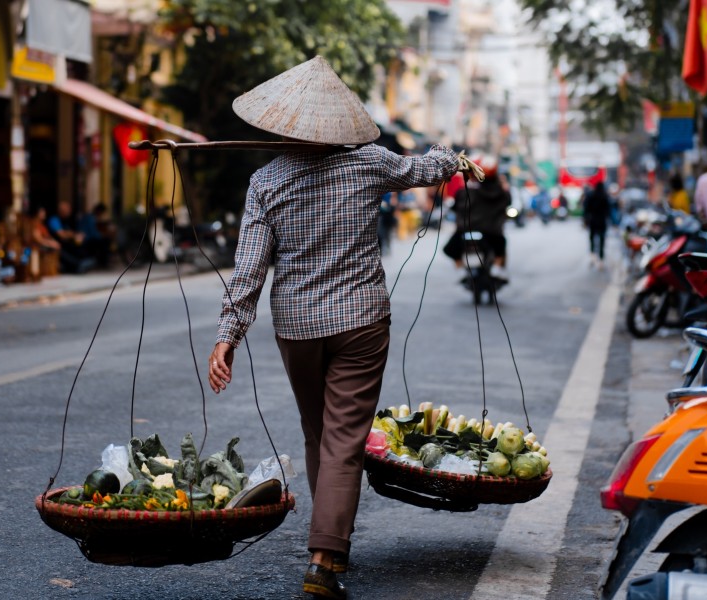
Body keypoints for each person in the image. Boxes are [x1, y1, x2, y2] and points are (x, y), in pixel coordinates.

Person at [206, 56, 471, 600]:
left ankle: (326, 542)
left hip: (297, 326)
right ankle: (325, 558)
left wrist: (227, 335)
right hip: (361, 322)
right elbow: (424, 169)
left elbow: (250, 266)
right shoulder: (369, 162)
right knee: (344, 438)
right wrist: (452, 158)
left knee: (318, 432)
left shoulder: (265, 182)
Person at [442, 154, 511, 281]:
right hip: (491, 231)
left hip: (465, 230)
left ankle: (461, 271)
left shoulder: (464, 192)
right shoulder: (501, 192)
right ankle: (496, 269)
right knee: (500, 245)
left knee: (450, 248)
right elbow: (508, 203)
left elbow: (455, 207)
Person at [47, 201, 96, 274]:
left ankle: (80, 264)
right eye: (67, 210)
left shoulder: (67, 221)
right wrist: (74, 235)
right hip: (56, 245)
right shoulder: (54, 219)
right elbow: (61, 234)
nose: (69, 212)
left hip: (64, 244)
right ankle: (77, 265)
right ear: (62, 211)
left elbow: (68, 232)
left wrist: (76, 235)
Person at [582, 181, 613, 269]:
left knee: (592, 238)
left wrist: (585, 219)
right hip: (602, 221)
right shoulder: (605, 196)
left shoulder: (591, 195)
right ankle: (601, 260)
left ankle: (593, 256)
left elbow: (586, 208)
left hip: (593, 221)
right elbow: (608, 210)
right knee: (602, 240)